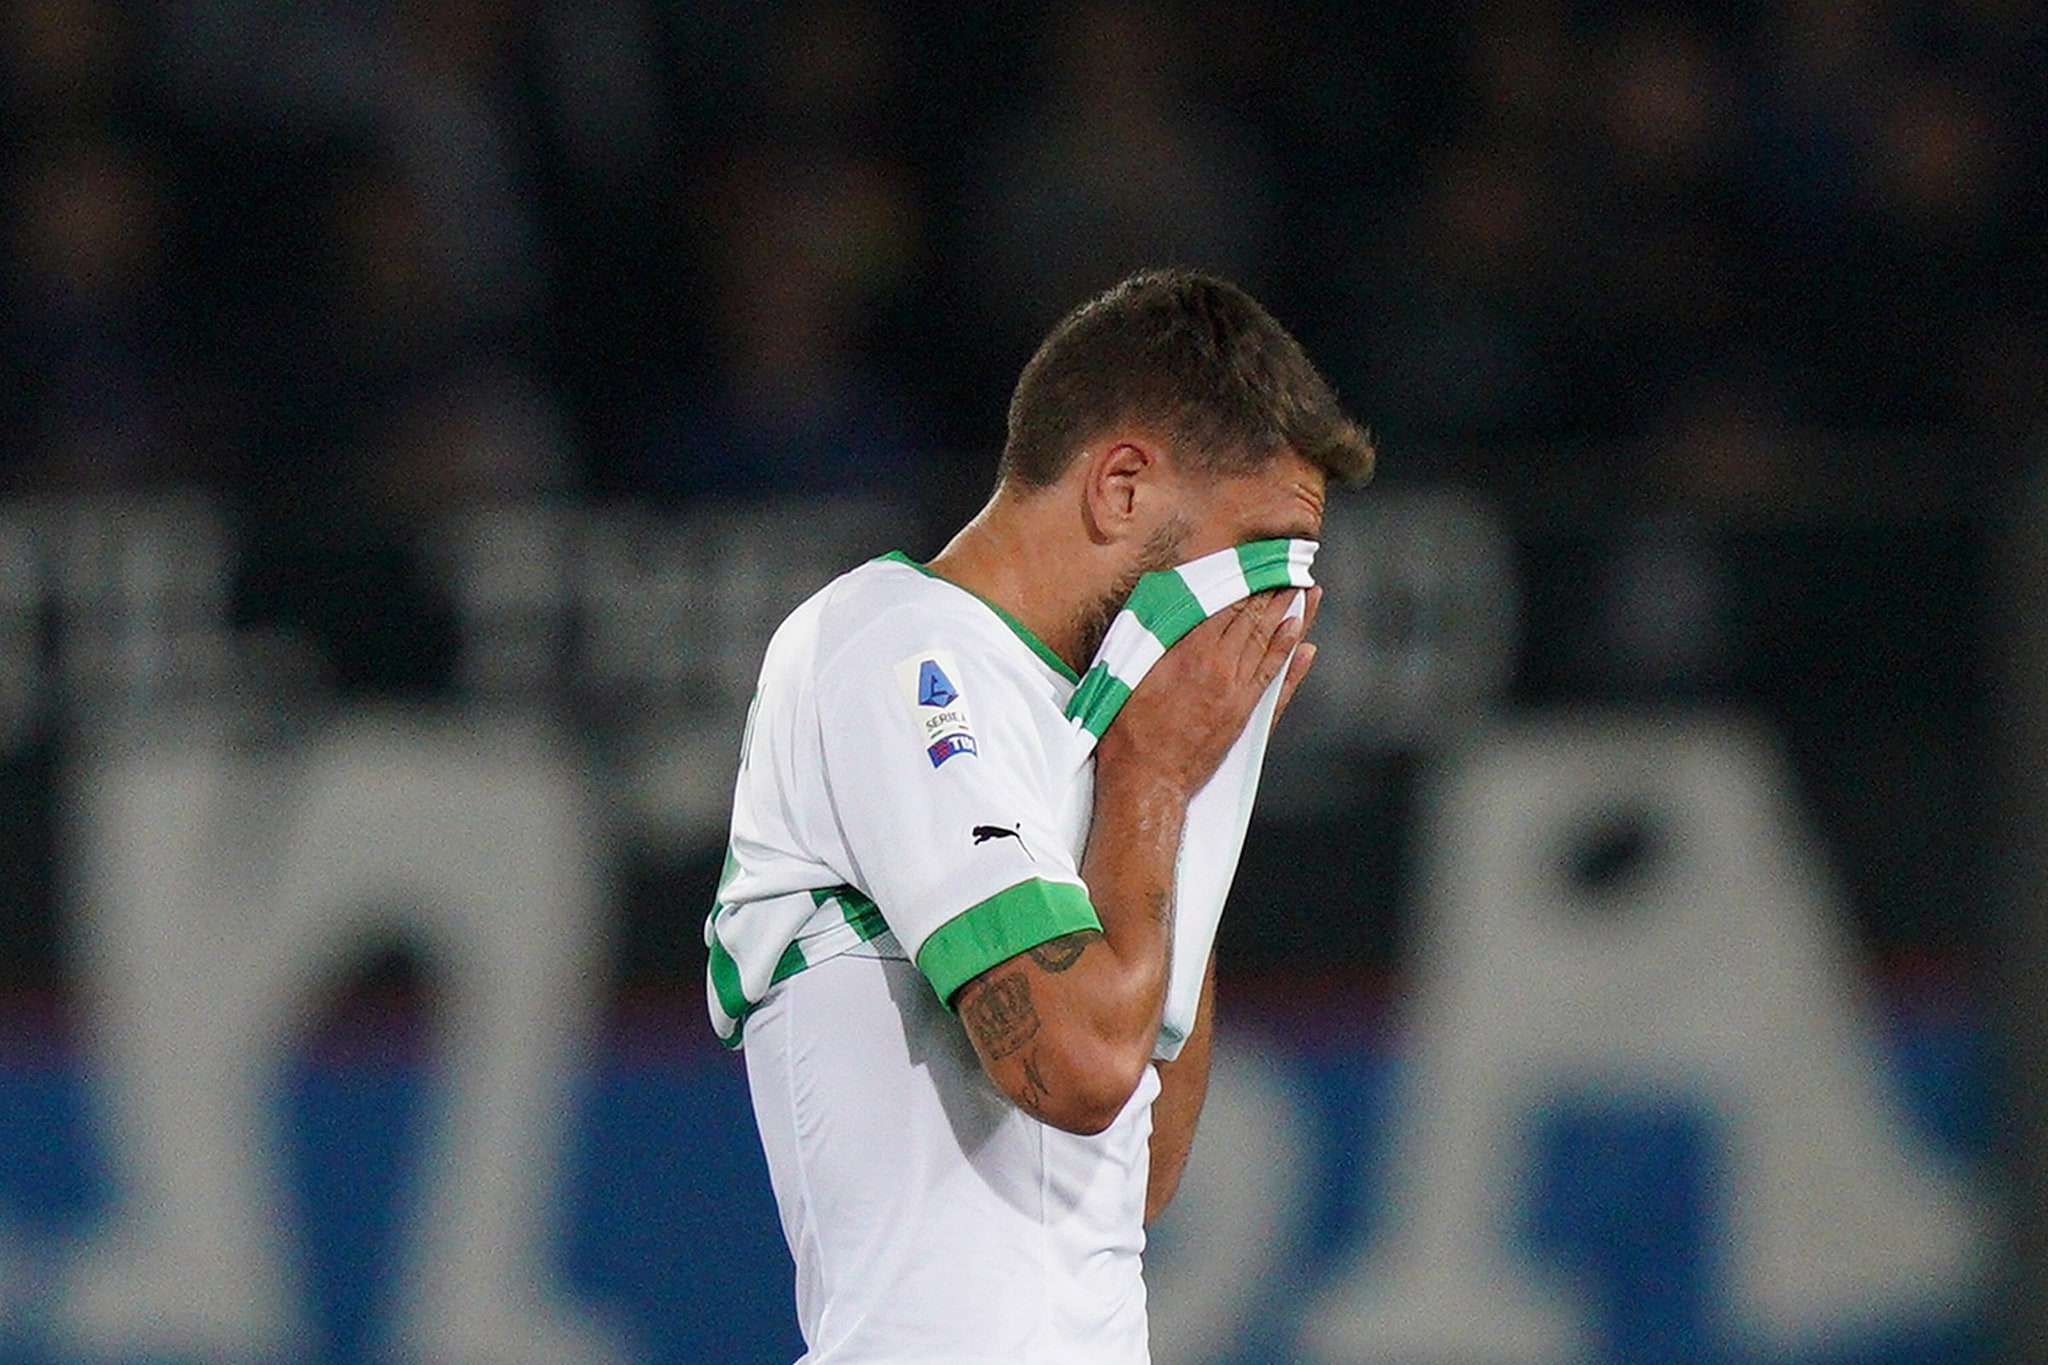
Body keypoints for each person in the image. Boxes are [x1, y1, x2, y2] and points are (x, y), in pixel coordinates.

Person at [706, 269, 1374, 1362]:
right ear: (1120, 487)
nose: (1277, 607)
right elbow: (1073, 1069)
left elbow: (1138, 1175)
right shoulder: (892, 647)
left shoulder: (1095, 730)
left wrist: (1195, 788)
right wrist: (1157, 779)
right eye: (1259, 553)